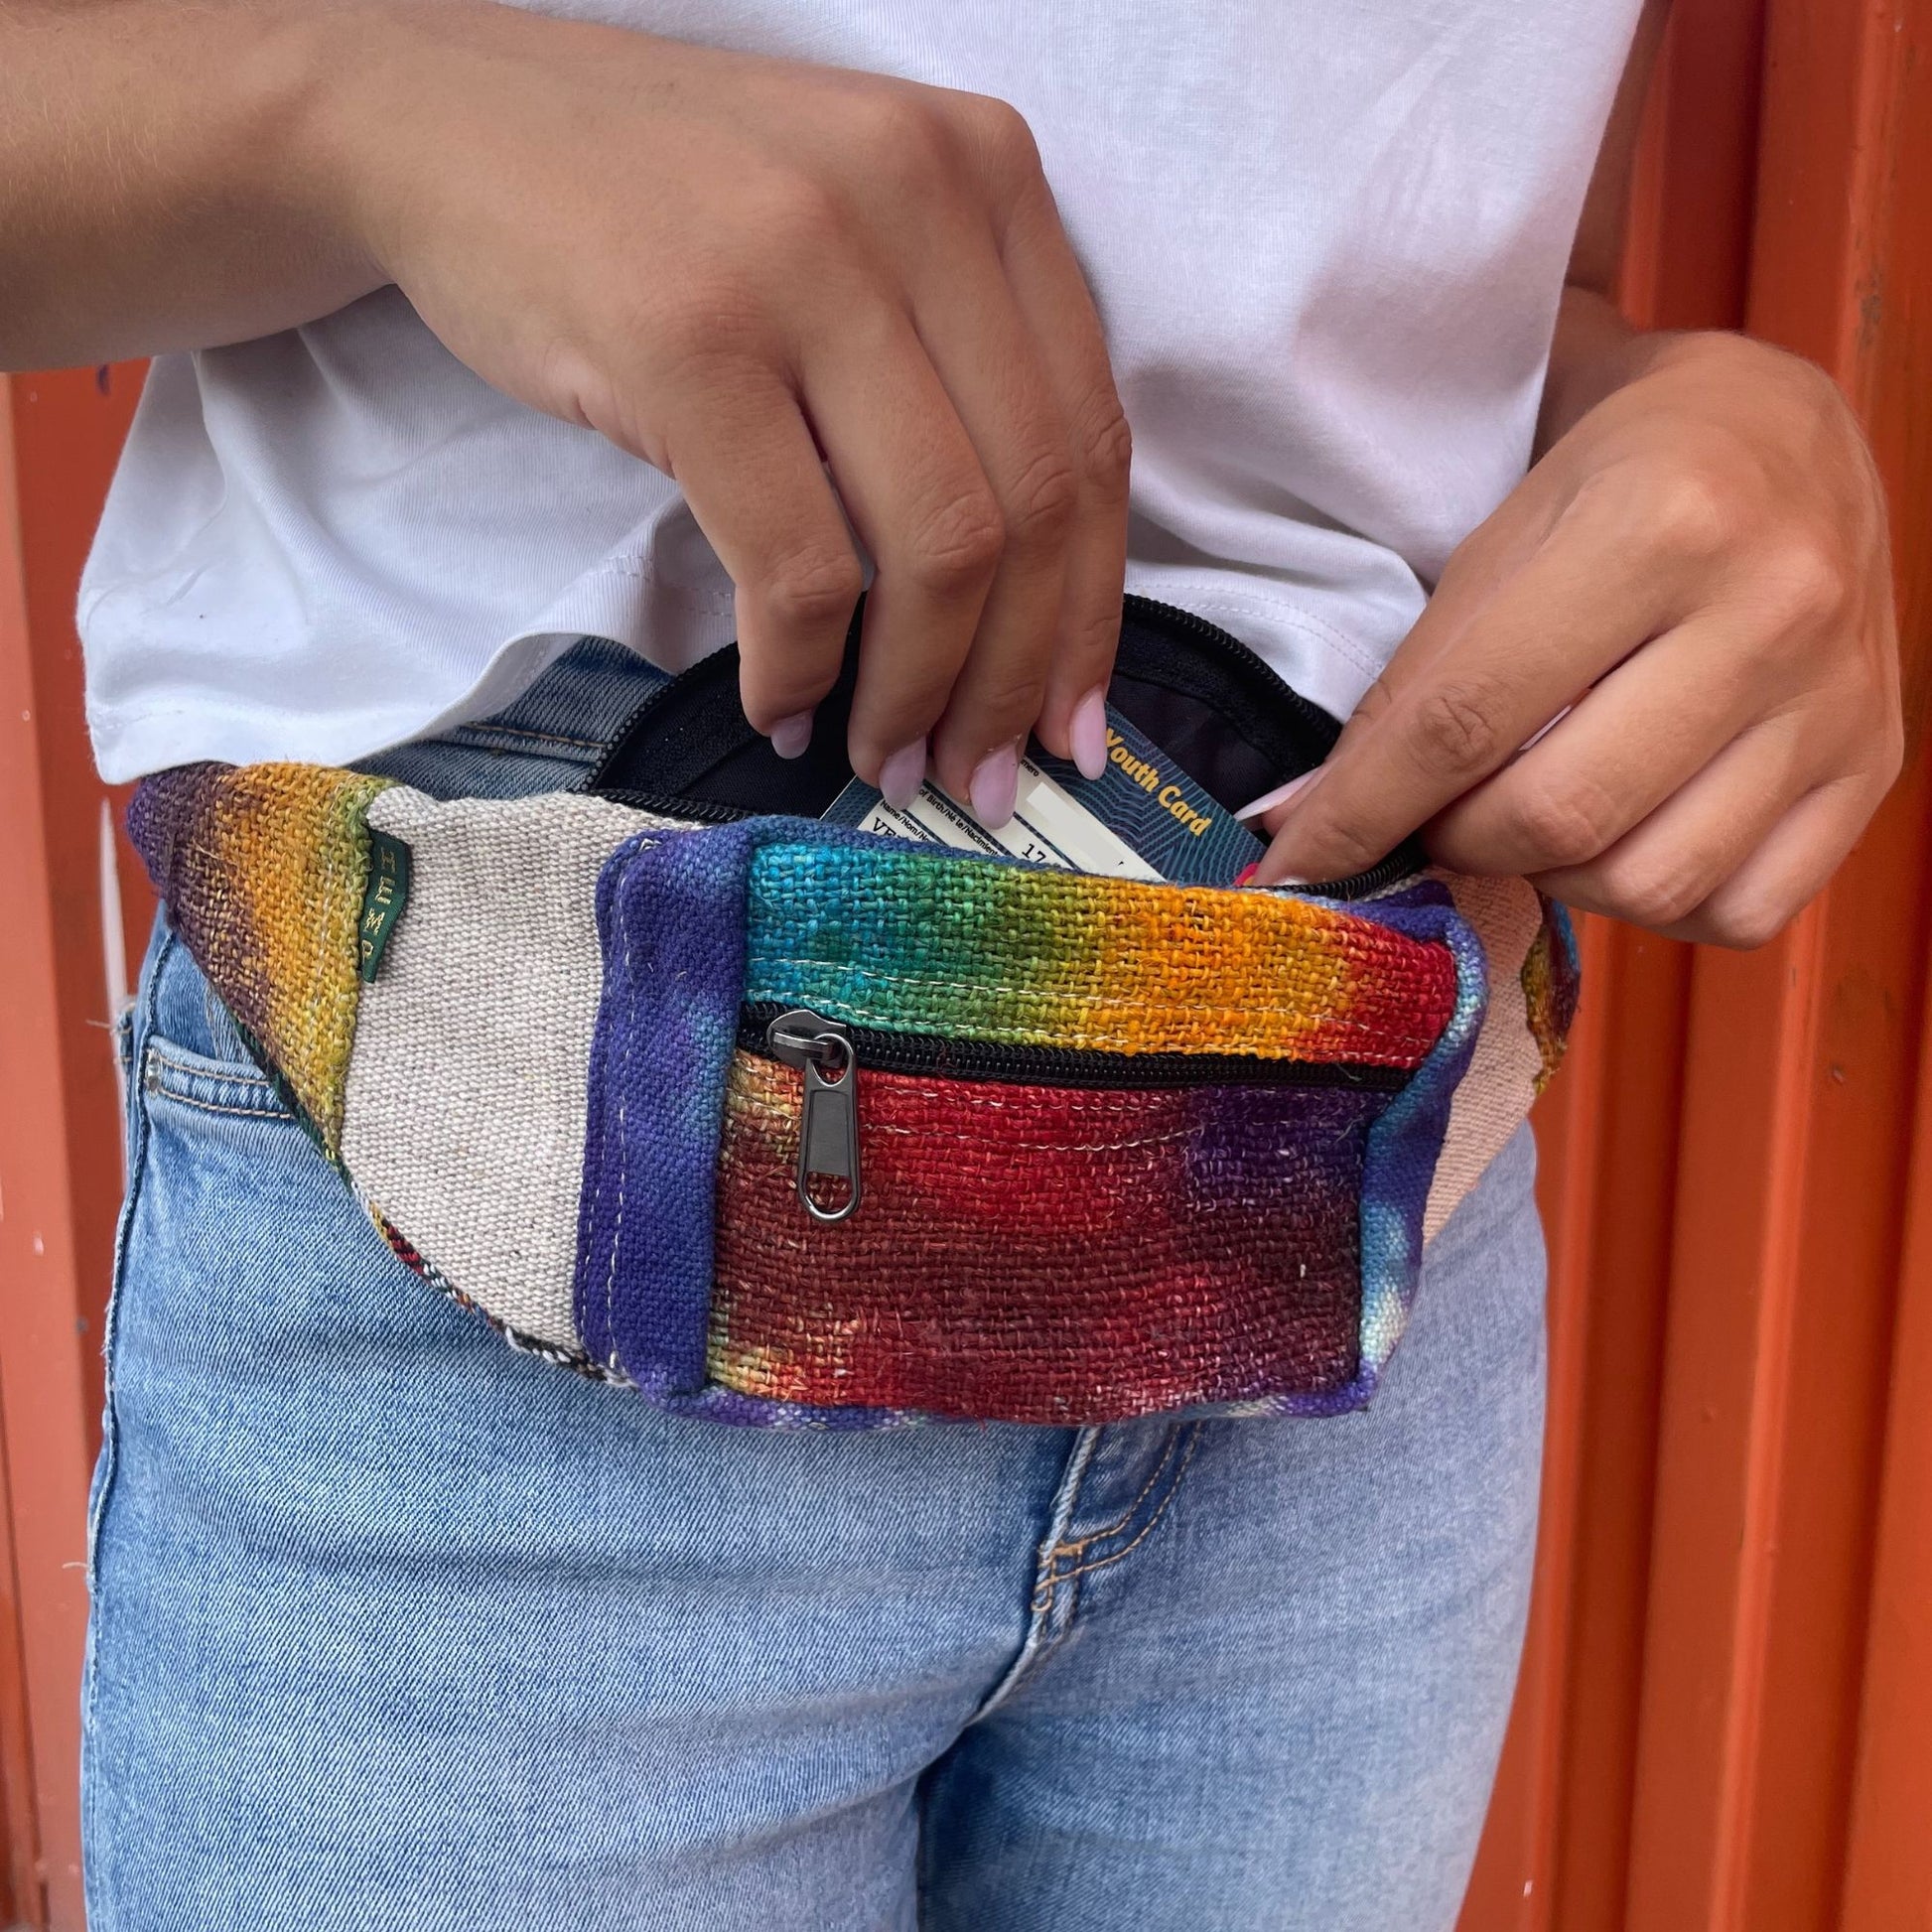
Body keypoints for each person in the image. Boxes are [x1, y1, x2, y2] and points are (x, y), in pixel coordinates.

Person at [0, 1, 1901, 1927]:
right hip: (501, 1204)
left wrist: (1682, 396)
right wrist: (357, 111)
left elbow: (1475, 282)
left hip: (1360, 1236)